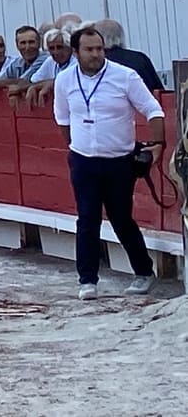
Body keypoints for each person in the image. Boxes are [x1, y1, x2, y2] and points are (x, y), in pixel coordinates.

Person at [53, 25, 165, 299]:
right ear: (76, 52)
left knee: (121, 219)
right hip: (84, 160)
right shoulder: (65, 79)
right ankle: (87, 280)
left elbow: (153, 109)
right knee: (87, 219)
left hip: (118, 161)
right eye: (89, 50)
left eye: (99, 49)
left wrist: (159, 143)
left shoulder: (124, 76)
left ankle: (144, 273)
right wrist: (76, 146)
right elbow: (63, 119)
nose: (96, 54)